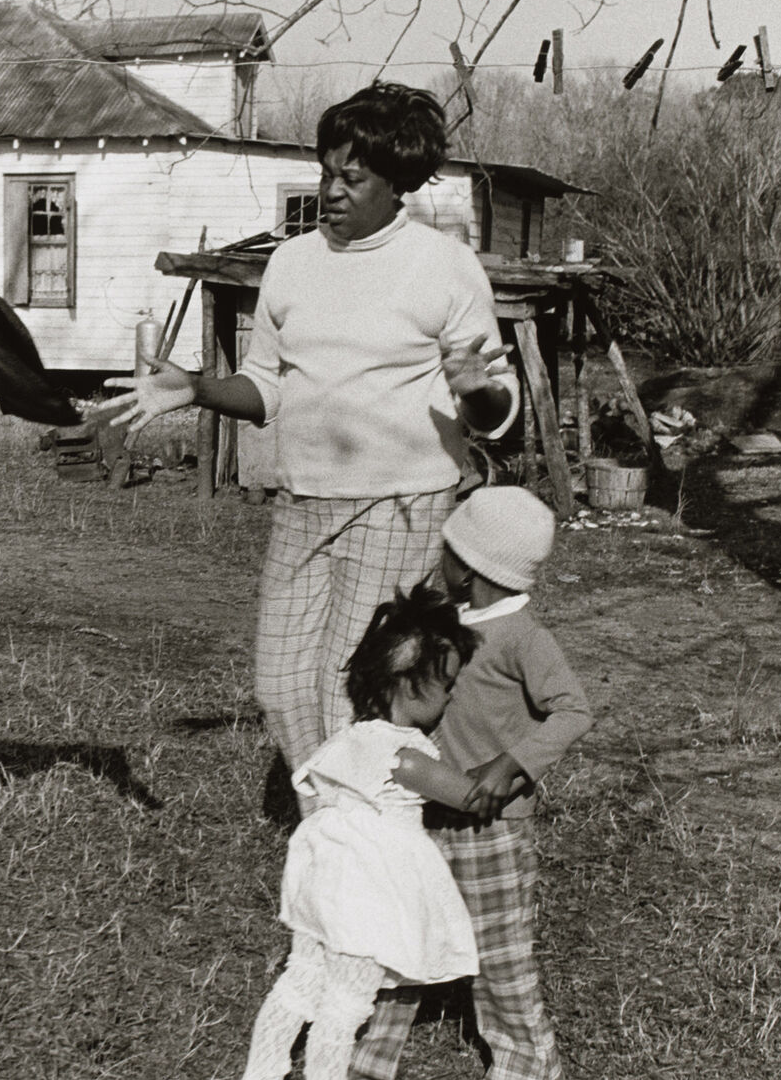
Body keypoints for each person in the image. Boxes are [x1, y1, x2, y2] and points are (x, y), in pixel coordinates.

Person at [100, 83, 519, 783]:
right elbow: (265, 388)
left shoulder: (444, 266)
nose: (331, 190)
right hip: (303, 502)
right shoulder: (291, 264)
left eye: (352, 177)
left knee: (342, 686)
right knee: (281, 684)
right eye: (327, 172)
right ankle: (343, 814)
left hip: (401, 503)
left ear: (398, 186)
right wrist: (196, 387)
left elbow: (497, 417)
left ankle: (352, 831)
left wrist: (477, 390)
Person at [347, 486, 592, 1080]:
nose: (440, 558)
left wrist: (510, 764)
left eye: (449, 548)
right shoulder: (442, 624)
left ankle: (530, 1067)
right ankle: (371, 1055)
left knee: (498, 952)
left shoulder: (523, 637)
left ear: (470, 564)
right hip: (421, 815)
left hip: (492, 829)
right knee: (399, 933)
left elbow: (573, 712)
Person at [226, 585, 486, 1080]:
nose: (451, 697)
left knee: (300, 980)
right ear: (409, 687)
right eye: (447, 685)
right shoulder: (408, 756)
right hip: (367, 889)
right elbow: (470, 798)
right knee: (346, 1002)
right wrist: (504, 773)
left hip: (322, 878)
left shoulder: (347, 739)